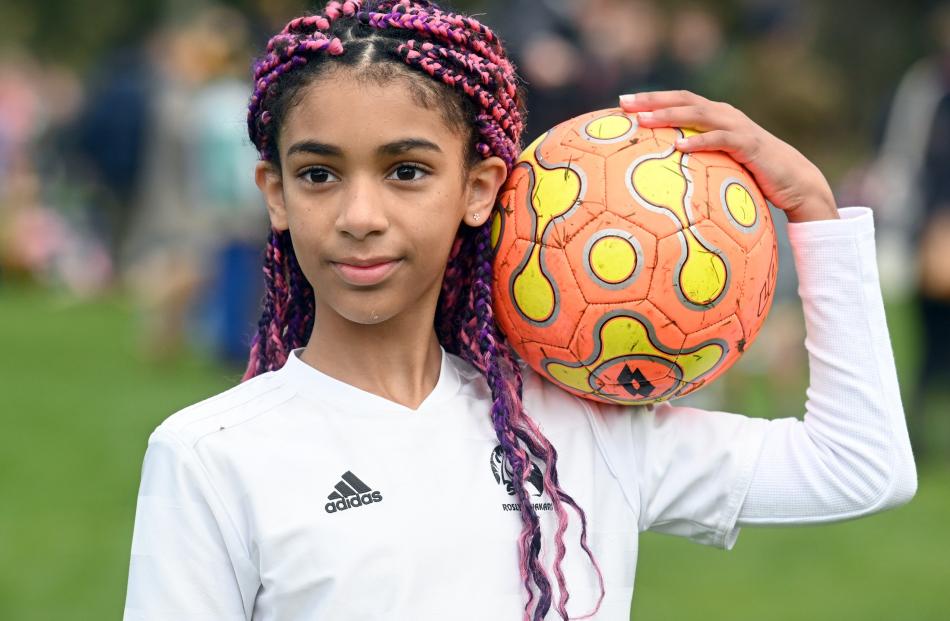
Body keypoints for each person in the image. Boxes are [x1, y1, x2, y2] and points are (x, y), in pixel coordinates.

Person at [122, 1, 917, 619]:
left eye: (406, 171)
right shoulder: (210, 456)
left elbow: (859, 465)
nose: (360, 215)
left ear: (478, 190)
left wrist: (813, 209)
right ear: (276, 194)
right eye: (320, 175)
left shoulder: (580, 427)